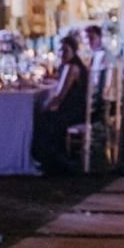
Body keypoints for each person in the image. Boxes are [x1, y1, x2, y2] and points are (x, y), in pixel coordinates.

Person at [34, 33, 90, 174]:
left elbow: (59, 96)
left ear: (73, 51)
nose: (62, 53)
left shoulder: (72, 68)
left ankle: (51, 160)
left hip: (74, 112)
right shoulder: (75, 65)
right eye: (60, 50)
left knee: (42, 119)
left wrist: (44, 108)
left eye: (65, 50)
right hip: (78, 110)